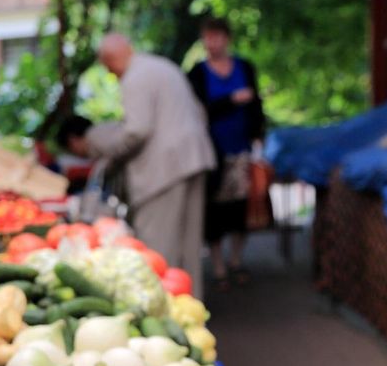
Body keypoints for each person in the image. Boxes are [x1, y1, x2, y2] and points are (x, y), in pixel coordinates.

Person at [64, 34, 215, 297]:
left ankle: (164, 309)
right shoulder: (161, 66)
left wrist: (110, 154)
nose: (110, 74)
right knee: (189, 245)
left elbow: (137, 130)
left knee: (158, 249)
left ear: (110, 60)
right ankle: (192, 305)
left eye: (107, 67)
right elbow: (199, 112)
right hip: (193, 158)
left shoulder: (135, 78)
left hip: (164, 169)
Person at [188, 16, 265, 289]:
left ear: (227, 38)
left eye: (217, 36)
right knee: (216, 210)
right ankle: (219, 266)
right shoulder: (197, 73)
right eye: (208, 37)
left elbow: (256, 106)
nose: (213, 42)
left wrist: (258, 139)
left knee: (242, 207)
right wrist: (231, 100)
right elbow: (196, 111)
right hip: (212, 151)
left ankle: (236, 260)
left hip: (241, 149)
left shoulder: (244, 67)